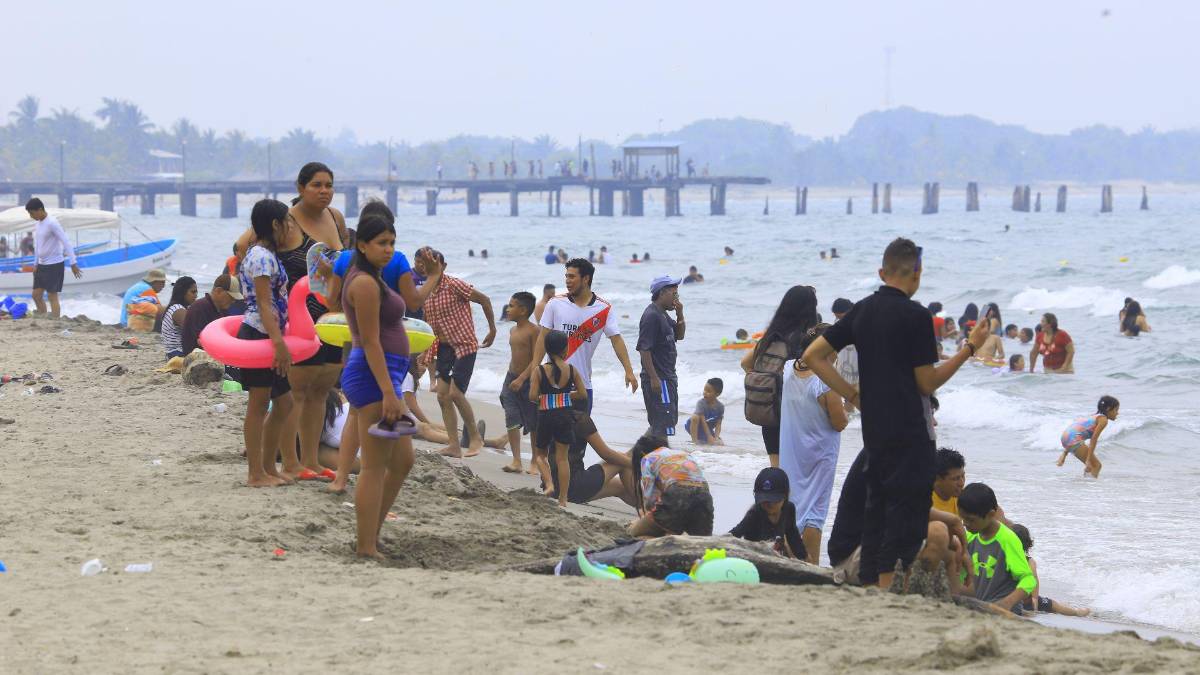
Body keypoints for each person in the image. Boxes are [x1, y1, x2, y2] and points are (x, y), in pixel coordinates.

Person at [803, 238, 991, 589]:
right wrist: (969, 349)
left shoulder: (862, 310)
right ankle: (889, 589)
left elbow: (814, 356)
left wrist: (853, 394)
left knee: (878, 509)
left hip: (875, 429)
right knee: (906, 516)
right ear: (917, 274)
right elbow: (926, 382)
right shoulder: (917, 316)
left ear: (881, 272)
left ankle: (878, 587)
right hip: (912, 431)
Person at [236, 163, 347, 481]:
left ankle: (309, 460)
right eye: (316, 185)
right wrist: (260, 282)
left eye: (329, 185)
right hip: (293, 324)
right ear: (300, 188)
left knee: (321, 389)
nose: (324, 190)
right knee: (294, 394)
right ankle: (287, 462)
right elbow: (243, 246)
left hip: (328, 317)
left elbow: (342, 260)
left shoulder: (335, 218)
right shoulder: (286, 218)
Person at [339, 213, 423, 559]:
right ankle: (365, 545)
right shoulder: (363, 283)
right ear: (362, 245)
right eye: (381, 243)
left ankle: (371, 532)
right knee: (374, 466)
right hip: (374, 378)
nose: (388, 249)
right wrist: (390, 392)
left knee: (403, 461)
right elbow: (371, 341)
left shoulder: (371, 277)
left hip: (385, 375)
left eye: (392, 242)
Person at [522, 258, 638, 415]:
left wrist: (629, 371)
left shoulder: (603, 309)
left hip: (582, 385)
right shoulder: (555, 303)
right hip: (552, 383)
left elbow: (616, 340)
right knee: (551, 435)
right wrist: (535, 370)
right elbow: (543, 338)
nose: (567, 281)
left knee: (580, 437)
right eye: (566, 276)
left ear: (586, 279)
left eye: (572, 277)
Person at [779, 324, 848, 563]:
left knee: (793, 506)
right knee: (814, 512)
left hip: (791, 452)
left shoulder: (788, 369)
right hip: (820, 455)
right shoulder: (826, 382)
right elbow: (839, 423)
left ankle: (789, 559)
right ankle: (811, 564)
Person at [238, 199, 295, 488]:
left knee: (284, 404)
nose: (290, 228)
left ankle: (269, 466)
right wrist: (278, 343)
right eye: (287, 222)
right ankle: (255, 473)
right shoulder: (260, 256)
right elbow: (264, 303)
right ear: (275, 225)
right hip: (260, 335)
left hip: (270, 335)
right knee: (259, 405)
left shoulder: (265, 255)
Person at [416, 252, 496, 458]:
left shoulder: (454, 285)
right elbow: (428, 324)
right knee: (442, 396)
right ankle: (454, 444)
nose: (427, 267)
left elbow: (484, 300)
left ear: (443, 265)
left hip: (464, 345)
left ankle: (475, 437)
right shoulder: (426, 292)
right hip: (444, 349)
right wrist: (424, 350)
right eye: (423, 264)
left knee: (455, 394)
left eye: (433, 263)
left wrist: (493, 329)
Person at [740, 285, 820, 468]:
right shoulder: (804, 341)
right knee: (797, 470)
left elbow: (745, 363)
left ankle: (775, 494)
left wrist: (765, 380)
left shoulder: (769, 338)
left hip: (771, 411)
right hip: (796, 414)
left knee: (776, 468)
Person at [529, 330, 588, 507]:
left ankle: (549, 484)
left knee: (540, 455)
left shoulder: (539, 371)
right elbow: (583, 394)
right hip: (564, 416)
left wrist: (547, 398)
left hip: (546, 416)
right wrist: (563, 397)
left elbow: (532, 396)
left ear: (546, 349)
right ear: (566, 349)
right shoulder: (571, 370)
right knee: (563, 458)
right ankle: (563, 498)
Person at [958, 483, 1036, 614]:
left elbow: (1029, 580)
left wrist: (1007, 603)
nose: (965, 524)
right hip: (979, 605)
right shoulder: (970, 536)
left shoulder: (1007, 540)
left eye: (970, 520)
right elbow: (961, 573)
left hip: (1004, 609)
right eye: (963, 519)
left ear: (991, 514)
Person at [489, 291, 540, 474]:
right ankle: (516, 460)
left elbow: (536, 359)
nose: (508, 309)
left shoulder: (534, 331)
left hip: (529, 380)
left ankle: (535, 460)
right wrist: (513, 376)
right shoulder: (512, 330)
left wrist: (522, 378)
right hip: (511, 378)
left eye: (511, 306)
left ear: (523, 310)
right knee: (511, 416)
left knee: (533, 421)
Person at [627, 436, 713, 537]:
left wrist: (644, 519)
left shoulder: (647, 458)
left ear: (642, 453)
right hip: (705, 496)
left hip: (677, 494)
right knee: (700, 539)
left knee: (636, 533)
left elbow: (650, 499)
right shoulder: (684, 454)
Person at [545, 410, 637, 506]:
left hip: (551, 487)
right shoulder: (579, 419)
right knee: (621, 461)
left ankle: (648, 510)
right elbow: (606, 454)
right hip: (574, 487)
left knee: (620, 487)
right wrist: (636, 464)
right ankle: (648, 507)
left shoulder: (547, 414)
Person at [637, 275, 686, 438]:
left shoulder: (663, 314)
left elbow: (680, 335)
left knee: (665, 423)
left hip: (668, 377)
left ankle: (640, 456)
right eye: (674, 294)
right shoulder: (651, 316)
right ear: (662, 293)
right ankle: (652, 458)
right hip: (660, 379)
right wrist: (654, 378)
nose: (676, 298)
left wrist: (680, 314)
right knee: (662, 425)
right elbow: (644, 349)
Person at [1010, 524, 1091, 616]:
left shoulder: (1017, 560)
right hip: (1019, 600)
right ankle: (1076, 611)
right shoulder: (1026, 561)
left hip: (1019, 600)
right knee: (1054, 605)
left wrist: (1035, 599)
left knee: (1054, 605)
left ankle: (1075, 611)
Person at [729, 467, 805, 560]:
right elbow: (732, 536)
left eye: (774, 500)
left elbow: (793, 537)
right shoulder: (754, 514)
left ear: (786, 495)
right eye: (764, 500)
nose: (769, 504)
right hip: (757, 561)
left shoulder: (789, 509)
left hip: (779, 559)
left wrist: (805, 559)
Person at [24, 198, 82, 318]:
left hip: (54, 264)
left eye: (32, 213)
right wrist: (35, 264)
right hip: (41, 265)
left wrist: (73, 262)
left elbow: (66, 242)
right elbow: (38, 245)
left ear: (40, 210)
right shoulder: (38, 223)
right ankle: (43, 317)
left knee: (52, 295)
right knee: (36, 295)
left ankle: (55, 321)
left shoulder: (52, 223)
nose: (31, 216)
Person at [1058, 395, 1118, 478]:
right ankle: (1089, 489)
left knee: (1092, 467)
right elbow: (1093, 439)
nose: (1117, 413)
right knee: (1096, 465)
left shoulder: (1094, 416)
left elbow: (1075, 432)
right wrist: (1088, 460)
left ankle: (1086, 486)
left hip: (1065, 436)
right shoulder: (1103, 420)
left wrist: (1064, 454)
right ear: (1108, 409)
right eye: (1116, 410)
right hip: (1073, 439)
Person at [157, 276, 197, 360]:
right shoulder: (178, 310)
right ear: (183, 292)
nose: (196, 295)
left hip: (172, 353)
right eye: (193, 292)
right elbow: (192, 332)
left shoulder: (174, 307)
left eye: (196, 292)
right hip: (177, 354)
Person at [831, 298, 858, 411]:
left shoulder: (860, 320)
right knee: (847, 394)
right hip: (843, 361)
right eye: (836, 316)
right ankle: (849, 421)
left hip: (857, 361)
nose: (839, 319)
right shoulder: (838, 323)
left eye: (841, 316)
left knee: (857, 392)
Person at [684, 378, 725, 445]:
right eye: (704, 390)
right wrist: (709, 436)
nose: (705, 393)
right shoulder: (701, 403)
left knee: (720, 443)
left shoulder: (720, 407)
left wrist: (716, 437)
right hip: (694, 425)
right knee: (695, 417)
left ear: (717, 394)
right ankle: (694, 442)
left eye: (708, 391)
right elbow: (703, 421)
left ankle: (702, 440)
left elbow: (718, 424)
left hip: (707, 428)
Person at [931, 447, 965, 516]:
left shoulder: (962, 496)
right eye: (956, 479)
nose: (962, 483)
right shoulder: (922, 502)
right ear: (938, 479)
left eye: (963, 476)